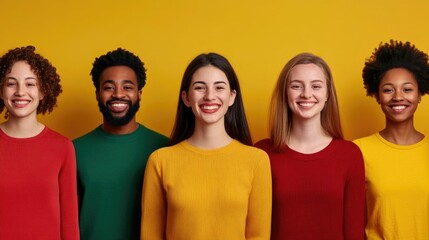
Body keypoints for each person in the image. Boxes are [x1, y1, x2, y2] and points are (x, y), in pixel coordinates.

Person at [140, 52, 272, 240]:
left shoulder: (256, 161)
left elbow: (259, 236)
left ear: (232, 96)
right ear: (186, 98)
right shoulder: (160, 161)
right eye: (200, 88)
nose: (210, 96)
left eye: (219, 88)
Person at [255, 53, 365, 240]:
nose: (306, 94)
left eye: (316, 86)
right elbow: (257, 229)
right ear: (285, 93)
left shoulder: (350, 154)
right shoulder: (262, 153)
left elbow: (354, 233)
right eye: (296, 86)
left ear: (327, 94)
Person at [73, 48, 169, 240]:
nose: (118, 94)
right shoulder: (74, 150)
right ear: (97, 94)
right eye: (108, 87)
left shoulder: (164, 149)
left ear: (139, 93)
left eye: (127, 87)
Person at [0, 46, 79, 240]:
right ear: (1, 91)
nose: (20, 92)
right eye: (11, 83)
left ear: (43, 92)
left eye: (30, 84)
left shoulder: (62, 147)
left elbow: (69, 223)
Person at [353, 40, 429, 239]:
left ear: (420, 94)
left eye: (407, 89)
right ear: (377, 96)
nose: (398, 97)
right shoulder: (358, 151)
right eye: (388, 90)